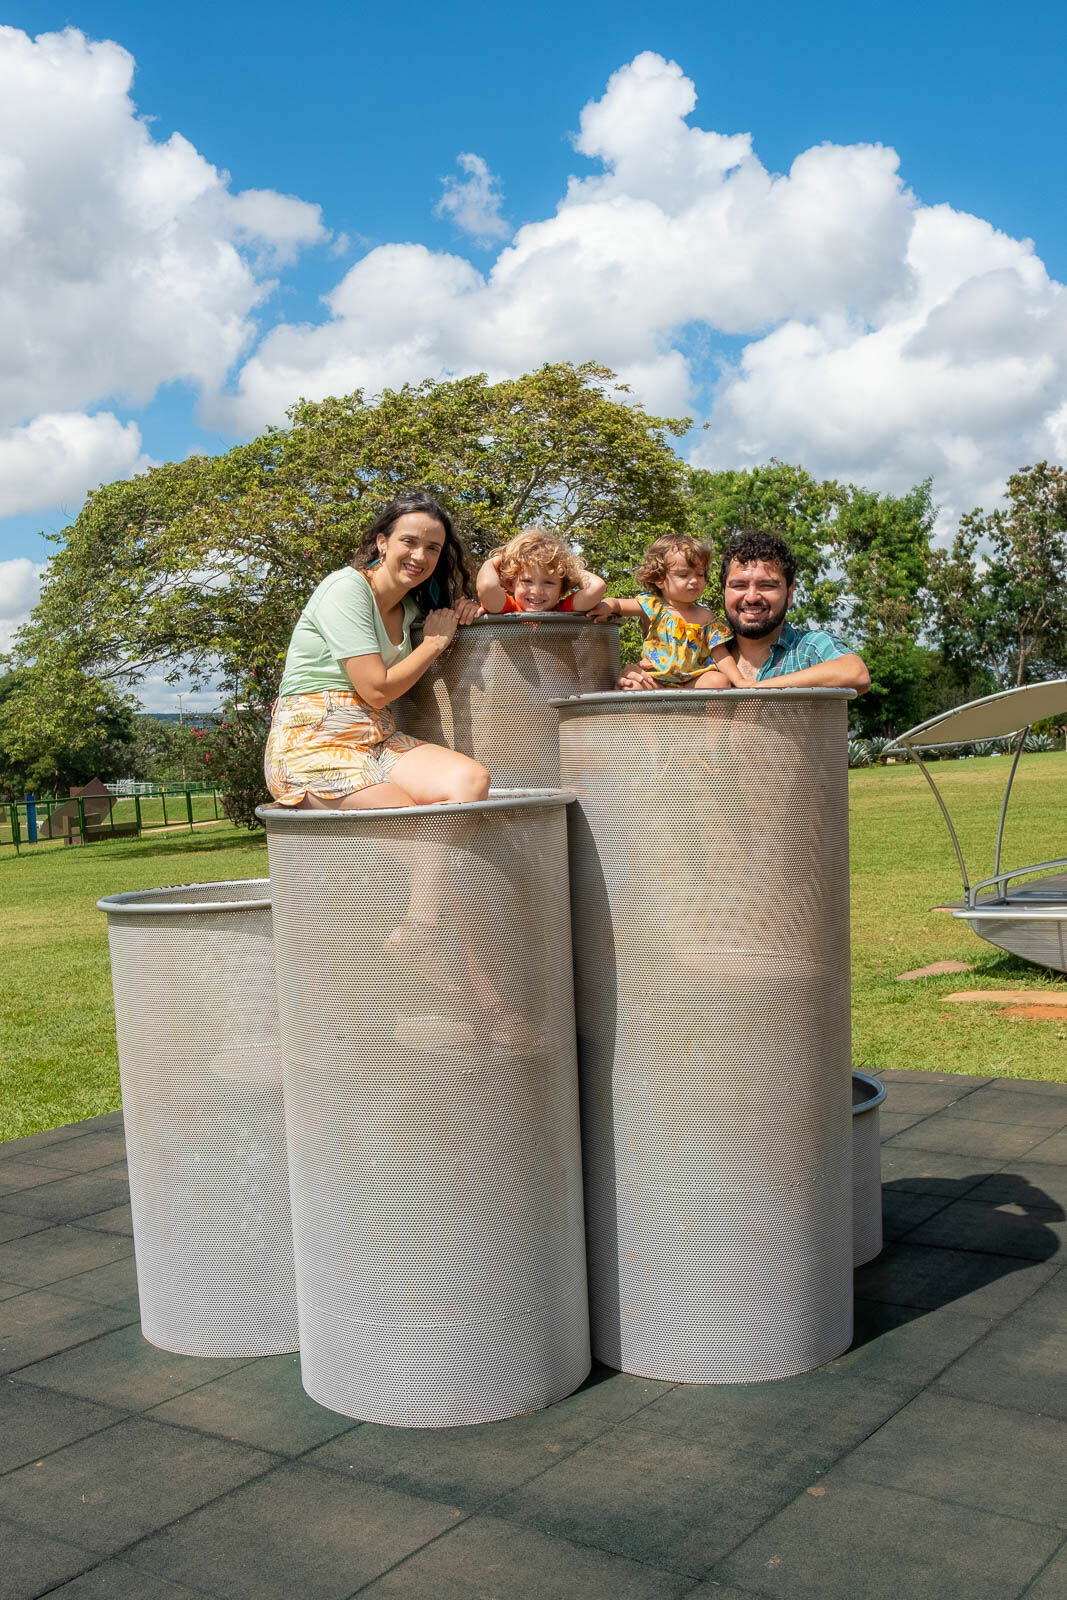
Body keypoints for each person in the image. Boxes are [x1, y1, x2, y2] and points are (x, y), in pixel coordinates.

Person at [264, 493, 490, 809]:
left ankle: (442, 860)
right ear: (382, 542)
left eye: (432, 548)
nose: (419, 556)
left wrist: (466, 611)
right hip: (312, 743)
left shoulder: (412, 608)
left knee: (471, 781)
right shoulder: (346, 588)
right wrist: (434, 644)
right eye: (408, 541)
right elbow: (376, 689)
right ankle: (434, 858)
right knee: (400, 811)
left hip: (377, 740)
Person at [615, 529, 870, 693]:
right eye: (738, 585)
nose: (751, 597)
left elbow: (855, 673)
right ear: (724, 591)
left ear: (789, 594)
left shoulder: (809, 647)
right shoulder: (698, 654)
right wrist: (640, 683)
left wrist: (755, 688)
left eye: (767, 585)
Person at [589, 533, 744, 687]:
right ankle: (646, 712)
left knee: (719, 680)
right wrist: (607, 606)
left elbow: (721, 654)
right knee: (633, 686)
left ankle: (700, 712)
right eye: (683, 575)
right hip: (657, 682)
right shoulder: (654, 606)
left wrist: (739, 680)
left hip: (693, 683)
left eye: (700, 574)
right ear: (659, 579)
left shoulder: (707, 617)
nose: (695, 580)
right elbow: (619, 605)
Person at [476, 527, 606, 615]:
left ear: (562, 590)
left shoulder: (563, 610)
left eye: (548, 582)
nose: (537, 591)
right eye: (527, 581)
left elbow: (596, 587)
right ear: (510, 583)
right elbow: (487, 586)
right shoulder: (509, 609)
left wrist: (570, 569)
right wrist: (496, 561)